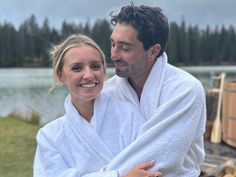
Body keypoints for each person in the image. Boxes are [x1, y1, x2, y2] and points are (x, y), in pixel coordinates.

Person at [33, 34, 163, 177]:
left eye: (95, 66)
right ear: (60, 75)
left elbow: (150, 166)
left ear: (104, 70)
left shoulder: (129, 115)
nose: (88, 75)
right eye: (77, 68)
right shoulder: (50, 137)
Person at [101, 3, 207, 177]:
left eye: (125, 47)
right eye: (113, 44)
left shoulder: (185, 89)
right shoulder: (108, 91)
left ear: (153, 51)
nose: (114, 54)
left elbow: (159, 158)